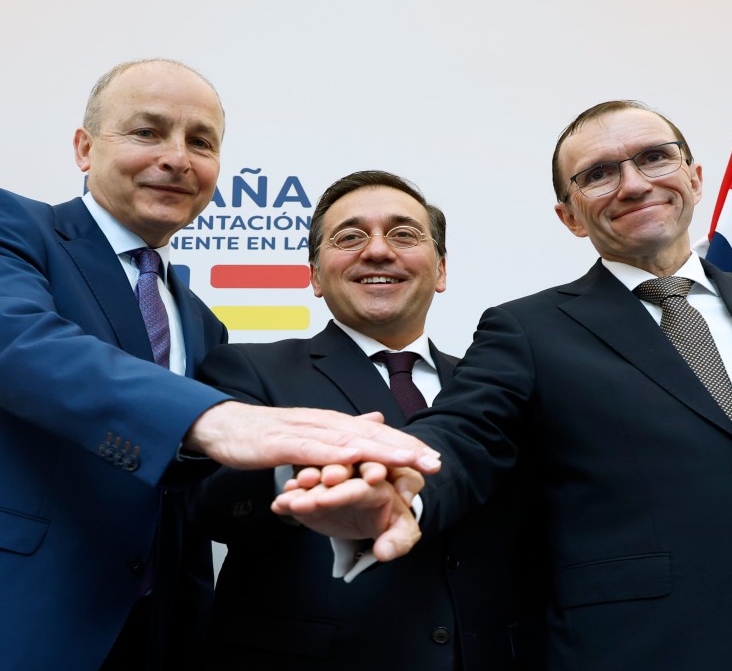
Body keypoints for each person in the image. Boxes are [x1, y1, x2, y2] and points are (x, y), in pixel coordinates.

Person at [0, 59, 438, 671]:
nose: (176, 157)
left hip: (134, 640)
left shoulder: (201, 322)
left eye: (201, 142)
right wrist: (220, 418)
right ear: (84, 148)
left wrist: (313, 497)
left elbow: (189, 487)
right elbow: (19, 347)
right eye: (148, 131)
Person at [278, 101, 732, 670]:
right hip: (643, 651)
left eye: (653, 158)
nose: (632, 183)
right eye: (598, 174)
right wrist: (402, 485)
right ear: (570, 215)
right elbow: (464, 435)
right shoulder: (529, 330)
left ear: (694, 176)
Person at [190, 170, 535, 669]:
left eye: (403, 234)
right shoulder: (247, 368)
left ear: (440, 271)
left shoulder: (497, 386)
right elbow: (209, 506)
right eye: (350, 237)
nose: (377, 251)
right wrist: (302, 473)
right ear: (313, 275)